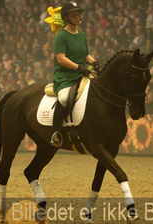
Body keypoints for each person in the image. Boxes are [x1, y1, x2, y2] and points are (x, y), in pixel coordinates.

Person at [50, 2, 98, 147]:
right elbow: (61, 58)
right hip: (64, 76)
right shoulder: (61, 36)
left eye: (78, 14)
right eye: (73, 14)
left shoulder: (82, 35)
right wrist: (79, 68)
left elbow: (85, 55)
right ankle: (56, 131)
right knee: (64, 98)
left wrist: (94, 62)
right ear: (66, 17)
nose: (77, 17)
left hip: (80, 74)